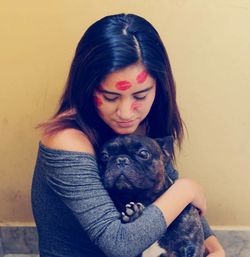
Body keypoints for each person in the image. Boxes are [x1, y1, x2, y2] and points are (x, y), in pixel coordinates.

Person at [31, 13, 225, 257]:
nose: (125, 112)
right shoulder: (66, 140)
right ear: (87, 88)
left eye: (140, 96)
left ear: (159, 87)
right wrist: (186, 188)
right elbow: (120, 244)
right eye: (111, 97)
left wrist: (214, 247)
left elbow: (165, 184)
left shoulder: (143, 124)